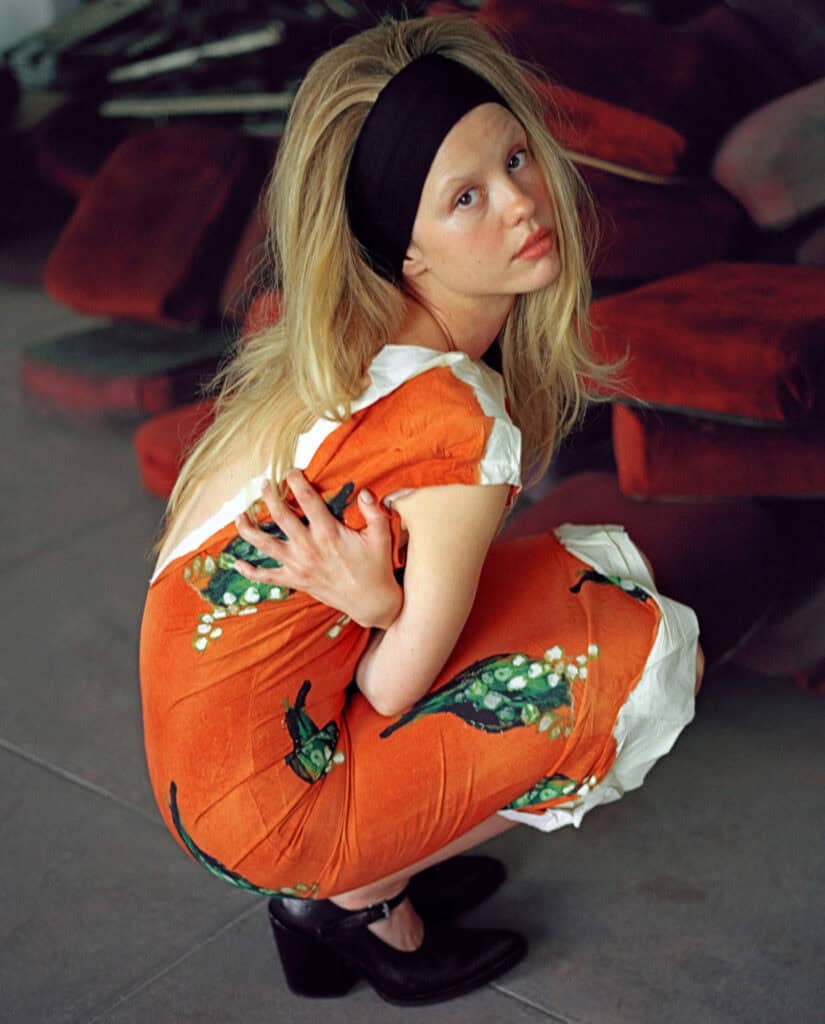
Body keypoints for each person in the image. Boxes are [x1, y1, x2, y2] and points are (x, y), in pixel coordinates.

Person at [139, 13, 703, 1007]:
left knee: (567, 582)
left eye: (515, 159)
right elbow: (393, 685)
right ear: (407, 250)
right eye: (466, 197)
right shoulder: (456, 419)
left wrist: (375, 602)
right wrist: (381, 606)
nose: (522, 202)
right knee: (652, 656)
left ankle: (364, 857)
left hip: (208, 778)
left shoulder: (338, 345)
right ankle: (355, 896)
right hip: (270, 817)